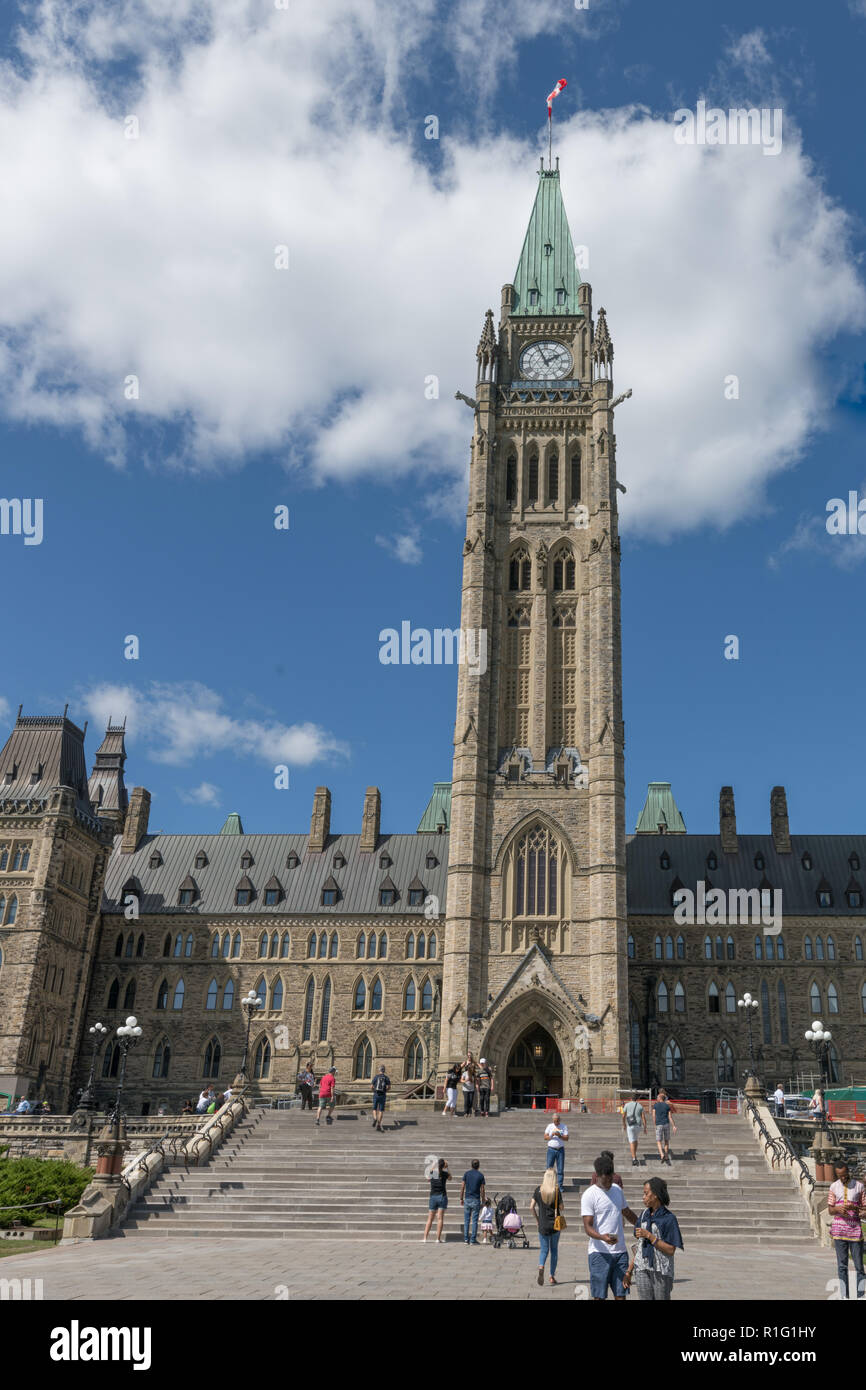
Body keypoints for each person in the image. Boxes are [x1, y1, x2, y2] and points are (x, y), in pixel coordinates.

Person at [580, 1154, 641, 1301]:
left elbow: (626, 1212)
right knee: (599, 1296)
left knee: (621, 1294)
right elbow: (587, 1227)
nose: (608, 1182)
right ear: (597, 1176)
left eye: (610, 1178)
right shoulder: (589, 1195)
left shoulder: (617, 1190)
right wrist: (602, 1237)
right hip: (599, 1253)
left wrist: (641, 1225)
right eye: (605, 1179)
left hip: (620, 1252)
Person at [624, 1176, 684, 1300]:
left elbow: (670, 1250)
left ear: (655, 1195)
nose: (643, 1197)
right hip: (642, 1266)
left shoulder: (669, 1219)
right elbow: (640, 1245)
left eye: (646, 1193)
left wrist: (650, 1236)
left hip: (661, 1269)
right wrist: (629, 1271)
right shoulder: (644, 1214)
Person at [828, 1159, 865, 1299]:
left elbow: (864, 1209)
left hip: (855, 1231)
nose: (843, 1178)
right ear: (836, 1174)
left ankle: (861, 1296)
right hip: (839, 1231)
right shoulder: (833, 1187)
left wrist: (857, 1210)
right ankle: (845, 1296)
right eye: (840, 1175)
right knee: (842, 1266)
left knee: (859, 1267)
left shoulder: (859, 1187)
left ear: (848, 1171)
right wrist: (837, 1208)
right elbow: (830, 1210)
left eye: (844, 1174)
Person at [531, 1166, 565, 1287]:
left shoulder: (538, 1190)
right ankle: (551, 1276)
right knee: (554, 1250)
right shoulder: (556, 1190)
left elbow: (531, 1207)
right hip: (555, 1225)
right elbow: (562, 1208)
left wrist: (537, 1220)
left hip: (543, 1224)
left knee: (544, 1250)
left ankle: (541, 1266)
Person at [422, 1158, 450, 1242]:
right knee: (440, 1218)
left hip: (433, 1196)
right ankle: (438, 1239)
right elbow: (451, 1178)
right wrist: (447, 1167)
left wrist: (433, 1165)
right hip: (442, 1196)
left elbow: (428, 1179)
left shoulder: (432, 1173)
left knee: (430, 1218)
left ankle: (425, 1238)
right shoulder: (445, 1174)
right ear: (444, 1165)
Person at [460, 1158, 486, 1245]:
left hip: (467, 1199)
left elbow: (462, 1186)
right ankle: (472, 1240)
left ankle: (466, 1239)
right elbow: (482, 1189)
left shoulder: (466, 1174)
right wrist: (483, 1200)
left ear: (471, 1165)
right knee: (474, 1220)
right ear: (478, 1166)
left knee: (466, 1220)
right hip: (476, 1199)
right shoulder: (480, 1175)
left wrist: (461, 1198)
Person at [651, 1089, 677, 1165]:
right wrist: (674, 1126)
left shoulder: (655, 1105)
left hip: (659, 1124)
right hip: (666, 1124)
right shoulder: (667, 1105)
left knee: (658, 1141)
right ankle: (666, 1156)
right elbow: (670, 1117)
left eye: (657, 1097)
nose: (657, 1098)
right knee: (666, 1141)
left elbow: (653, 1116)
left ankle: (662, 1154)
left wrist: (654, 1124)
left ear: (659, 1098)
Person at [544, 1111, 569, 1186]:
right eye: (554, 1121)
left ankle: (560, 1186)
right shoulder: (550, 1126)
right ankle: (548, 1185)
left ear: (559, 1120)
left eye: (557, 1121)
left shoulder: (564, 1126)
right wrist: (552, 1135)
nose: (556, 1123)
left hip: (560, 1150)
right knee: (549, 1168)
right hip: (551, 1149)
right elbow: (545, 1137)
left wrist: (559, 1136)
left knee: (560, 1169)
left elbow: (567, 1138)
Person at [622, 1092, 647, 1167]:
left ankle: (634, 1159)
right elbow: (643, 1117)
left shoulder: (627, 1105)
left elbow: (623, 1116)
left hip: (630, 1125)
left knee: (631, 1141)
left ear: (630, 1099)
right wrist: (645, 1127)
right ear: (637, 1099)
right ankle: (634, 1154)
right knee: (635, 1140)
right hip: (638, 1125)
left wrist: (624, 1124)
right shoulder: (640, 1105)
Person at [371, 1064, 391, 1130]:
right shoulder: (386, 1078)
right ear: (384, 1070)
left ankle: (375, 1118)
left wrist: (373, 1090)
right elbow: (389, 1087)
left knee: (374, 1109)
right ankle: (379, 1124)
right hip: (383, 1095)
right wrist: (386, 1091)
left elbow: (371, 1086)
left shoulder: (376, 1077)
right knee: (381, 1110)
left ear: (379, 1070)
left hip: (376, 1094)